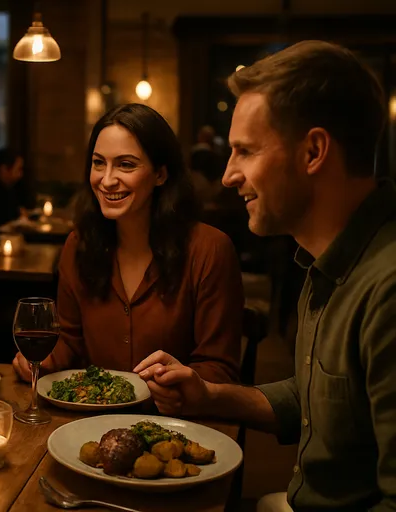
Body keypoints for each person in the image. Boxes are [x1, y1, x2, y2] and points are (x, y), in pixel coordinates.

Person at [136, 41, 395, 511]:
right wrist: (207, 394)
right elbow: (314, 397)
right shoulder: (324, 262)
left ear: (314, 150)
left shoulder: (389, 288)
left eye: (245, 151)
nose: (229, 174)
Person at [13, 103, 244, 387]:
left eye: (126, 164)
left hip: (176, 422)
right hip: (91, 421)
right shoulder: (79, 244)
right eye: (99, 163)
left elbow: (220, 368)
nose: (107, 180)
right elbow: (70, 343)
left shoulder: (210, 250)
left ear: (161, 174)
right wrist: (42, 359)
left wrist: (182, 384)